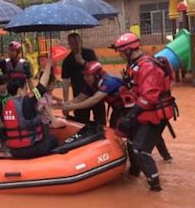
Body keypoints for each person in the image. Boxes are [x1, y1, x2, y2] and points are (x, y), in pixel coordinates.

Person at [61, 61, 173, 162]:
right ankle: (121, 155)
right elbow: (80, 98)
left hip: (131, 108)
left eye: (87, 76)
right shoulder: (93, 83)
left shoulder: (108, 82)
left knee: (147, 132)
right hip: (119, 109)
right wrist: (65, 105)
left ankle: (165, 156)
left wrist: (71, 107)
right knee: (115, 131)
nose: (85, 78)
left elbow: (93, 100)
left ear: (96, 74)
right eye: (84, 76)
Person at [114, 33, 178, 192]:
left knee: (140, 150)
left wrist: (129, 117)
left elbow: (149, 96)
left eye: (121, 52)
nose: (120, 55)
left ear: (128, 50)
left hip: (152, 114)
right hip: (143, 113)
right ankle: (134, 173)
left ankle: (155, 187)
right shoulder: (134, 64)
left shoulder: (148, 67)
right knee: (130, 141)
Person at [3, 57, 58, 159]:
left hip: (14, 150)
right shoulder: (27, 101)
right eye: (26, 88)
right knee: (52, 140)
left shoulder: (6, 104)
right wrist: (48, 65)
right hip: (30, 148)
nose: (27, 91)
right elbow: (41, 87)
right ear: (19, 90)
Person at [62, 33, 106, 125]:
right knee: (81, 123)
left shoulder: (89, 53)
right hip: (79, 95)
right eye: (72, 43)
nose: (75, 46)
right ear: (69, 44)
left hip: (95, 93)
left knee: (100, 122)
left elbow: (98, 69)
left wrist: (82, 61)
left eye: (77, 43)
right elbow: (65, 83)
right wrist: (66, 104)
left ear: (81, 42)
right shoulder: (67, 61)